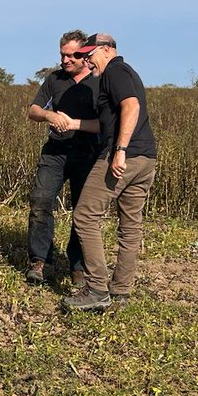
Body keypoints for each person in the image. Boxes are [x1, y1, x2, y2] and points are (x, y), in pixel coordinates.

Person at [64, 33, 157, 311]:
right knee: (130, 226)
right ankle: (120, 291)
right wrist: (73, 124)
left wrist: (119, 150)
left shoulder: (114, 71)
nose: (86, 61)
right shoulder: (127, 73)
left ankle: (96, 289)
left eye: (89, 55)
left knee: (84, 216)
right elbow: (107, 123)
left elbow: (131, 106)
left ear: (106, 51)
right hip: (145, 158)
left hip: (123, 158)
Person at [25, 29, 100, 286]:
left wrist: (76, 124)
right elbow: (34, 109)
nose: (65, 60)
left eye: (71, 56)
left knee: (83, 212)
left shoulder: (99, 83)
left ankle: (78, 266)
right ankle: (38, 261)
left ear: (84, 55)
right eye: (62, 55)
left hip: (88, 155)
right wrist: (49, 116)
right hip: (55, 152)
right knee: (41, 201)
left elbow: (107, 122)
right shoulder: (54, 79)